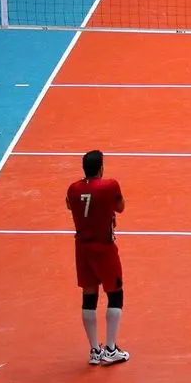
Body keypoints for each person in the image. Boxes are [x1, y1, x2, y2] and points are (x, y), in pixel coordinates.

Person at [65, 149, 130, 366]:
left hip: (82, 249)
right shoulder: (109, 185)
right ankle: (110, 349)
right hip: (104, 248)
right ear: (101, 168)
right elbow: (121, 207)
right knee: (115, 294)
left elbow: (69, 205)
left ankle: (94, 350)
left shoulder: (73, 189)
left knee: (89, 296)